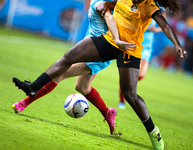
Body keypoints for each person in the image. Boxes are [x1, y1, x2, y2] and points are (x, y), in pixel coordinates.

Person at [12, 0, 187, 149]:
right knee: (68, 57)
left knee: (130, 94)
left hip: (129, 50)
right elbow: (110, 6)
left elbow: (165, 25)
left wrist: (177, 45)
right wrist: (104, 4)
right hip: (110, 41)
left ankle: (153, 132)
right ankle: (33, 87)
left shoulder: (149, 6)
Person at [11, 0, 134, 135]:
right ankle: (108, 112)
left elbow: (111, 17)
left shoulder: (112, 4)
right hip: (89, 46)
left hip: (98, 52)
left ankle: (25, 102)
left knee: (60, 74)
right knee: (82, 87)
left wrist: (116, 39)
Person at [118, 10, 166, 109]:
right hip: (136, 42)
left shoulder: (159, 7)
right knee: (131, 74)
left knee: (140, 75)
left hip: (147, 44)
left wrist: (155, 30)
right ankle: (122, 101)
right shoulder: (139, 5)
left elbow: (164, 24)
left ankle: (124, 82)